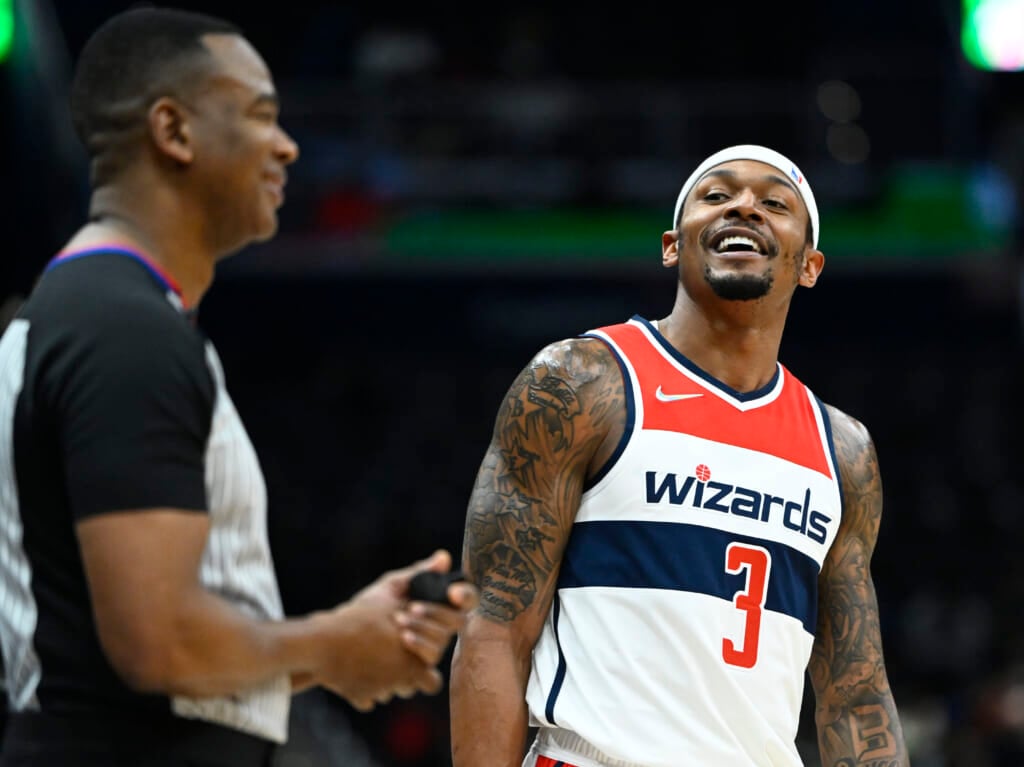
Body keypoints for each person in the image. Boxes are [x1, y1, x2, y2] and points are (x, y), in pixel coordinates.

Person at [0, 7, 477, 766]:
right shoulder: (122, 331)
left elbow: (154, 658)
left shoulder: (101, 312)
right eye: (259, 115)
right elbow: (157, 643)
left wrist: (337, 645)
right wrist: (332, 644)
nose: (287, 145)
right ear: (173, 131)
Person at [450, 144, 909, 767]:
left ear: (809, 265)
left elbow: (856, 696)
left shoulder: (843, 450)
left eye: (775, 204)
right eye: (716, 195)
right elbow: (494, 627)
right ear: (672, 246)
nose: (744, 207)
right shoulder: (581, 382)